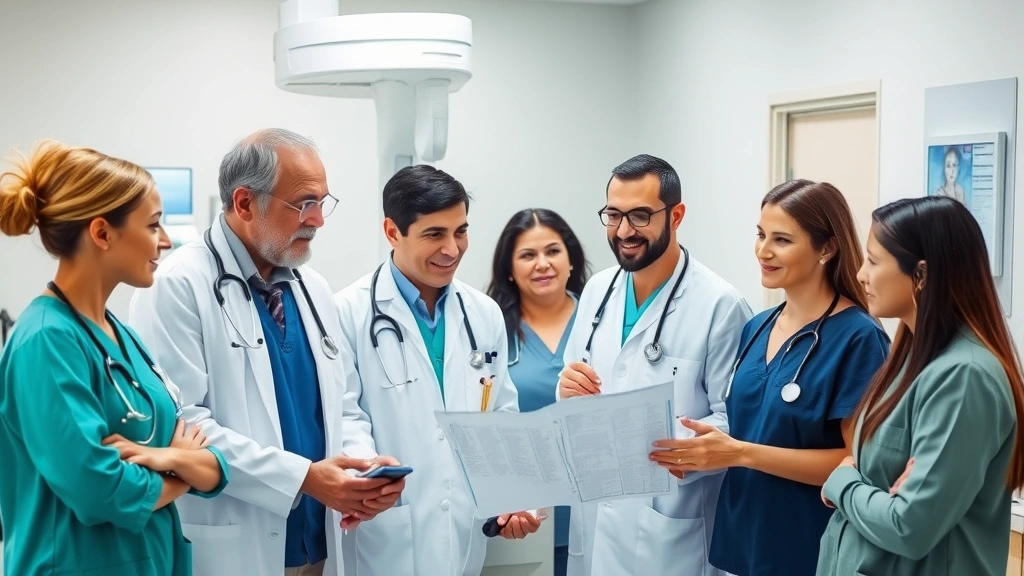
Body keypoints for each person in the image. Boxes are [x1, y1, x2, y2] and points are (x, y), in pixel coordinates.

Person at [128, 129, 405, 576]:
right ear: (244, 204)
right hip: (236, 546)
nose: (318, 220)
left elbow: (344, 407)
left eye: (322, 201)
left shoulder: (311, 288)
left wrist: (363, 471)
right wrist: (304, 478)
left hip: (321, 543)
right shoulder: (177, 284)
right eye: (303, 203)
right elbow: (182, 426)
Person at [0, 140, 228, 575]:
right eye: (153, 225)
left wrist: (172, 459)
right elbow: (98, 488)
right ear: (102, 233)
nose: (165, 241)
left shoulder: (121, 335)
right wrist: (180, 469)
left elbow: (212, 463)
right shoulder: (46, 342)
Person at [648, 180, 890, 576]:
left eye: (782, 239)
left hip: (809, 548)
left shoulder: (859, 338)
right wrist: (700, 455)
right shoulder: (757, 327)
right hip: (741, 544)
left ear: (826, 248)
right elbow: (747, 428)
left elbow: (859, 463)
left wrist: (739, 453)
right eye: (760, 235)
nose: (763, 251)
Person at [334, 165, 542, 576]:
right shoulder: (346, 312)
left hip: (464, 536)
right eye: (435, 234)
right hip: (385, 531)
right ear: (393, 232)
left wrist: (515, 496)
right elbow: (344, 415)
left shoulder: (483, 313)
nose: (452, 249)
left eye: (460, 231)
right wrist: (371, 473)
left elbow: (501, 416)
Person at [557, 154, 752, 576]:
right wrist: (566, 388)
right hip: (597, 514)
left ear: (676, 215)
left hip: (670, 526)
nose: (624, 230)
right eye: (614, 215)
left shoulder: (720, 305)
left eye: (640, 215)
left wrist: (681, 450)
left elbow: (735, 420)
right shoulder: (596, 290)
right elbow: (577, 387)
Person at [816, 196, 1024, 576]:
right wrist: (868, 488)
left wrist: (844, 482)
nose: (861, 275)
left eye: (874, 262)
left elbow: (908, 526)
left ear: (922, 275)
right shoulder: (911, 358)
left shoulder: (966, 377)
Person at [486, 208, 589, 576]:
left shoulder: (599, 320)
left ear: (571, 259)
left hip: (595, 504)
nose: (542, 264)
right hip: (521, 513)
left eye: (553, 251)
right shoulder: (489, 328)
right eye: (528, 255)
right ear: (510, 269)